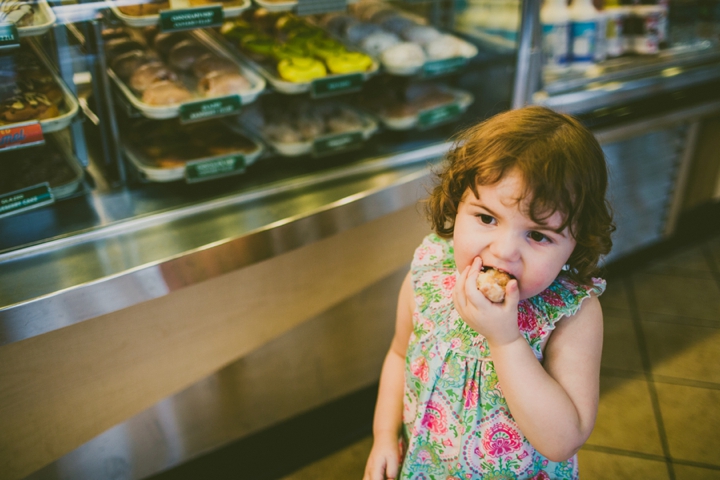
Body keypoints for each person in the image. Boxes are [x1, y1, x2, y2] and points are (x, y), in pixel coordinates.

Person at [363, 106, 614, 480]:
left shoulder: (572, 315)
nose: (503, 250)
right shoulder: (431, 274)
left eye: (538, 235)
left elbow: (564, 439)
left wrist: (507, 340)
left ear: (576, 243)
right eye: (486, 218)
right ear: (456, 204)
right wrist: (384, 436)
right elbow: (400, 354)